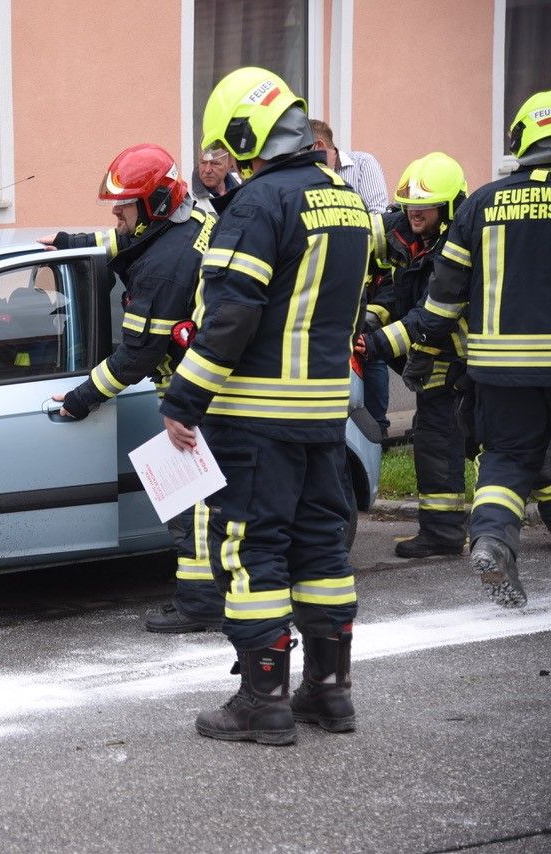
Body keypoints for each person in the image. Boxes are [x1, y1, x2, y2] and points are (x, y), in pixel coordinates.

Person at [160, 68, 369, 745]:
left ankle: (262, 701)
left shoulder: (257, 206)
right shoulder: (345, 199)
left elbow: (230, 316)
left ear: (250, 136)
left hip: (256, 415)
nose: (230, 163)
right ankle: (329, 694)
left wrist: (184, 399)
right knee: (321, 550)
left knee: (253, 553)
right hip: (322, 413)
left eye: (231, 148)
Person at [365, 90, 551, 609]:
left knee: (508, 458)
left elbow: (440, 307)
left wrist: (383, 340)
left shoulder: (481, 206)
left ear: (520, 140)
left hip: (499, 369)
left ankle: (491, 538)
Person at [39, 143, 221, 634]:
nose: (116, 212)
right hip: (211, 384)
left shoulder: (164, 267)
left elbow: (135, 357)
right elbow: (125, 242)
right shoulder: (189, 224)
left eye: (124, 203)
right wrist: (71, 241)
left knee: (192, 502)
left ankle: (200, 601)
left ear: (156, 204)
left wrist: (79, 399)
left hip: (198, 395)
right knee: (207, 501)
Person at [359, 153, 469, 558]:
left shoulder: (454, 250)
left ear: (448, 207)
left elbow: (428, 315)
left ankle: (442, 534)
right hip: (432, 363)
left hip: (455, 363)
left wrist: (372, 343)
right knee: (443, 440)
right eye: (408, 205)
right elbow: (394, 290)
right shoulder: (409, 235)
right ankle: (442, 532)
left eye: (424, 205)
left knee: (441, 443)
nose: (413, 213)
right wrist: (366, 320)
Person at [311, 118, 393, 440]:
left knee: (368, 347)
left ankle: (379, 429)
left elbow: (378, 217)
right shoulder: (310, 177)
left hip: (368, 274)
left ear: (319, 148)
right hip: (327, 274)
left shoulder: (362, 164)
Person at [190, 146, 241, 213]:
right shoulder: (187, 199)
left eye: (215, 163)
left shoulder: (241, 193)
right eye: (203, 162)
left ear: (230, 164)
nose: (207, 170)